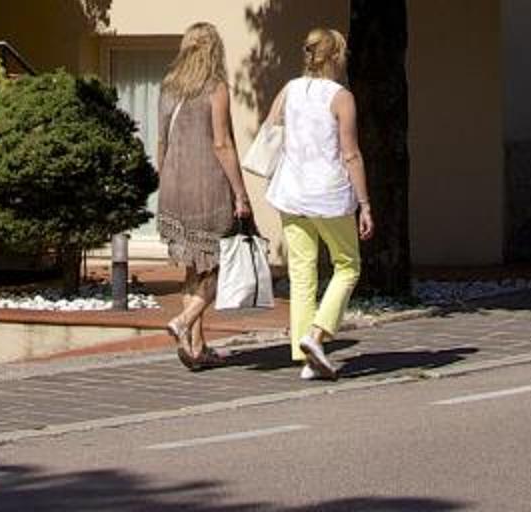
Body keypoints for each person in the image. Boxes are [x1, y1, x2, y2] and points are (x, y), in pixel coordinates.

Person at [260, 26, 373, 380]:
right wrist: (365, 202)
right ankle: (317, 335)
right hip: (329, 193)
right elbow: (351, 153)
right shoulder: (341, 97)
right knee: (347, 265)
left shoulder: (290, 89)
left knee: (301, 272)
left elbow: (271, 127)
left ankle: (304, 353)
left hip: (290, 191)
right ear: (336, 57)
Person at [153, 21, 253, 369]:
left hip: (173, 186)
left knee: (194, 270)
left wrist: (163, 177)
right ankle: (182, 322)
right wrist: (240, 192)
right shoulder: (215, 87)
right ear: (215, 50)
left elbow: (162, 141)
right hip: (207, 188)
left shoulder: (168, 87)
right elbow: (222, 144)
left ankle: (196, 349)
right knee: (221, 266)